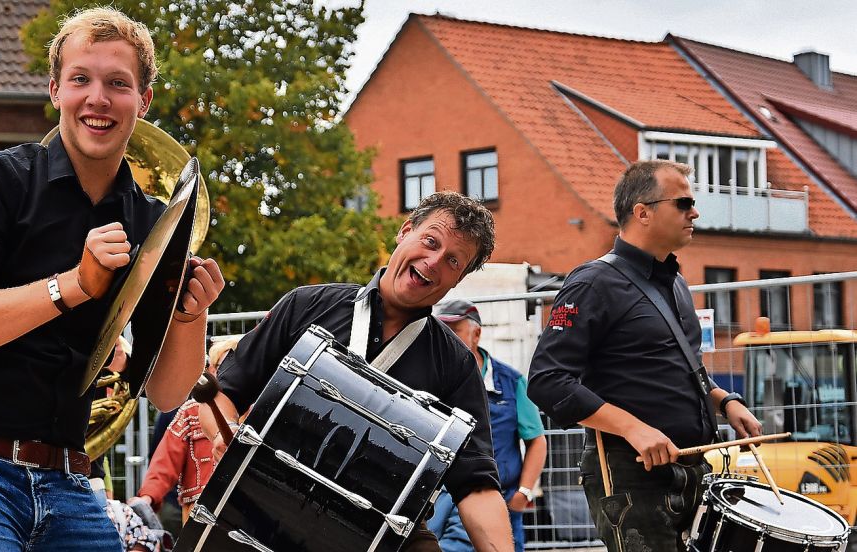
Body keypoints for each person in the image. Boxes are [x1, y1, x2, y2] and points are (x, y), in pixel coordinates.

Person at [0, 7, 224, 551]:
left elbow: (167, 392)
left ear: (142, 103)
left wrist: (190, 314)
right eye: (81, 80)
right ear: (56, 91)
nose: (98, 98)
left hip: (66, 477)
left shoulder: (152, 222)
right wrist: (74, 284)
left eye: (118, 83)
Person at [201, 191, 513, 551]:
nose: (433, 261)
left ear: (458, 280)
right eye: (430, 241)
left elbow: (475, 483)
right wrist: (222, 437)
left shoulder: (456, 365)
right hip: (266, 505)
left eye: (453, 261)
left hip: (386, 532)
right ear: (404, 230)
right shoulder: (304, 306)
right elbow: (225, 392)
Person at [527, 160, 762, 552]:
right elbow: (548, 381)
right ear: (642, 212)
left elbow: (678, 370)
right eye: (683, 202)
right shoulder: (591, 283)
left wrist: (725, 401)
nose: (695, 212)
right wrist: (633, 428)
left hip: (693, 470)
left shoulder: (676, 283)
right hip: (630, 476)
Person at [429, 299, 547, 552]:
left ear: (477, 334)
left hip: (497, 498)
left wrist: (523, 492)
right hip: (441, 496)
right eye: (442, 331)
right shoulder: (432, 381)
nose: (446, 338)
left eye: (455, 331)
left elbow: (536, 440)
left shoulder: (511, 382)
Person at [131, 337, 241, 525]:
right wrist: (147, 497)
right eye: (221, 365)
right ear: (211, 371)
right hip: (197, 515)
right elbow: (165, 461)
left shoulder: (260, 411)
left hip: (242, 511)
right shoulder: (190, 412)